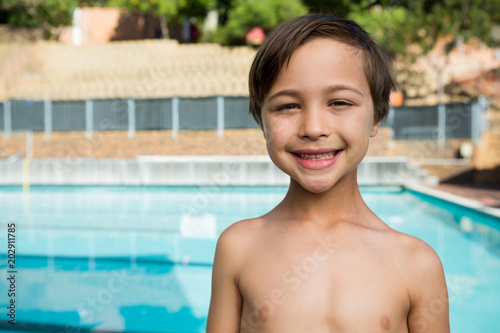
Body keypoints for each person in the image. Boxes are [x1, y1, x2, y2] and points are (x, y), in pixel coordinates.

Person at [207, 14, 450, 333]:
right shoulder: (238, 247)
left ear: (377, 116)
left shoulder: (417, 263)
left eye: (339, 102)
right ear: (260, 119)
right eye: (287, 107)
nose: (313, 128)